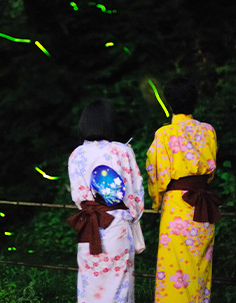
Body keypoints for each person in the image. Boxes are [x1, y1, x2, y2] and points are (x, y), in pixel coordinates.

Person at [146, 78, 221, 303]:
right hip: (203, 206)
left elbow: (155, 173)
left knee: (174, 273)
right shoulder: (208, 131)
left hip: (177, 209)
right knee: (200, 269)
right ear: (194, 101)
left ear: (169, 103)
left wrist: (156, 199)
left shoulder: (164, 135)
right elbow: (209, 173)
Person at [68, 99, 144, 303]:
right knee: (119, 287)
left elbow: (78, 196)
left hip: (88, 227)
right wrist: (133, 216)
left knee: (90, 287)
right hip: (116, 225)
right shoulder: (121, 150)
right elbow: (135, 192)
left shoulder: (76, 155)